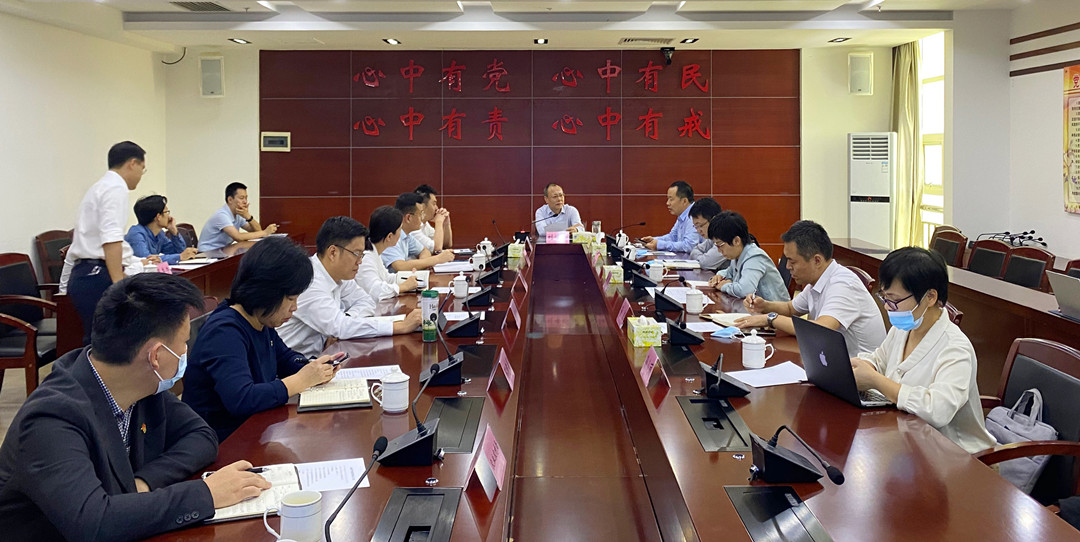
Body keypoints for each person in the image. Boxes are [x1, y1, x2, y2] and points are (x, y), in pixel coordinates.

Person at [0, 273, 271, 541]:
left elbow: (202, 436)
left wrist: (144, 482)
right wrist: (206, 494)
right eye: (184, 343)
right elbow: (93, 522)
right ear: (156, 356)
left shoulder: (140, 383)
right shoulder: (52, 417)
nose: (186, 352)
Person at [182, 238, 342, 442]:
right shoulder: (224, 331)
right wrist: (302, 380)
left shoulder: (260, 321)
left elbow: (285, 359)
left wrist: (315, 368)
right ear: (266, 292)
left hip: (255, 431)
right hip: (222, 443)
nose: (294, 308)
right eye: (290, 299)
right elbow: (242, 398)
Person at [851, 247, 997, 454]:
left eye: (894, 300)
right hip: (907, 438)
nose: (887, 307)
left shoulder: (956, 348)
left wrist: (875, 380)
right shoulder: (904, 328)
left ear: (930, 297)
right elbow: (879, 359)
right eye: (885, 298)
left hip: (954, 454)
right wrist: (863, 366)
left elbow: (937, 410)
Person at [278, 216, 422, 358]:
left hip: (324, 357)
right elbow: (341, 327)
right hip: (296, 365)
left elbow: (366, 301)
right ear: (333, 253)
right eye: (356, 254)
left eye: (361, 255)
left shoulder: (339, 274)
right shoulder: (310, 281)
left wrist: (347, 319)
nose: (360, 261)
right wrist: (400, 326)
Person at [738, 220, 886, 357]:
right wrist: (765, 305)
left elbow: (820, 330)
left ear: (817, 260)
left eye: (792, 261)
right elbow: (790, 308)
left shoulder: (843, 285)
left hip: (860, 370)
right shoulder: (818, 280)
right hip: (830, 359)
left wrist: (771, 319)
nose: (787, 266)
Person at [68, 141, 151, 342]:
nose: (141, 175)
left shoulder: (101, 186)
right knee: (107, 343)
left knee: (99, 341)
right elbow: (111, 239)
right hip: (97, 275)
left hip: (87, 274)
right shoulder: (115, 188)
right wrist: (118, 285)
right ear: (132, 163)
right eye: (142, 168)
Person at [706, 211, 790, 302]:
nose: (719, 251)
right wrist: (720, 276)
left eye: (720, 245)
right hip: (755, 308)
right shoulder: (738, 254)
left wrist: (724, 286)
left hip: (774, 309)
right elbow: (730, 272)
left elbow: (745, 290)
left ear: (736, 241)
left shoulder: (754, 257)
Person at [380, 193, 455, 272]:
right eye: (420, 214)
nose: (422, 218)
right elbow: (400, 266)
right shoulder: (391, 235)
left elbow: (424, 251)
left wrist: (422, 264)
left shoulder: (407, 235)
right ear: (409, 218)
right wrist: (438, 259)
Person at [358, 206, 420, 301]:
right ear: (389, 236)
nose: (401, 233)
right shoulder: (366, 258)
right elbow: (376, 292)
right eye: (400, 229)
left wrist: (408, 277)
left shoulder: (375, 252)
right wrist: (403, 287)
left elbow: (386, 278)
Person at [197, 182, 278, 252]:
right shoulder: (222, 215)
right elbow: (238, 237)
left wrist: (248, 216)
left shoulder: (238, 214)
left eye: (246, 198)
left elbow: (257, 230)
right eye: (241, 198)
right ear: (230, 199)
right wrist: (265, 232)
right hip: (207, 253)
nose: (245, 201)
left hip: (222, 251)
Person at [125, 195, 199, 264]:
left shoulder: (159, 233)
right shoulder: (136, 234)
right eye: (166, 212)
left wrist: (174, 232)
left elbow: (180, 252)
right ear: (158, 217)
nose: (169, 217)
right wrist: (179, 257)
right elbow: (147, 260)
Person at [641, 180, 701, 253]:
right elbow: (673, 237)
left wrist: (660, 245)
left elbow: (689, 245)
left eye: (671, 199)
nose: (667, 203)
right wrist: (654, 240)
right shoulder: (683, 215)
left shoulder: (694, 215)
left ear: (684, 201)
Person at [686, 197, 727, 270]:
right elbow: (694, 251)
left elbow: (706, 263)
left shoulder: (725, 236)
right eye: (696, 226)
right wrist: (702, 258)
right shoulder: (712, 237)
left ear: (713, 220)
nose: (698, 230)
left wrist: (702, 259)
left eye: (700, 225)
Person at [413, 184, 453, 252]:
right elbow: (437, 249)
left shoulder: (425, 224)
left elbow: (446, 245)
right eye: (434, 204)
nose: (437, 208)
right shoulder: (413, 227)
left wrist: (446, 223)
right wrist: (439, 222)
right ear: (422, 206)